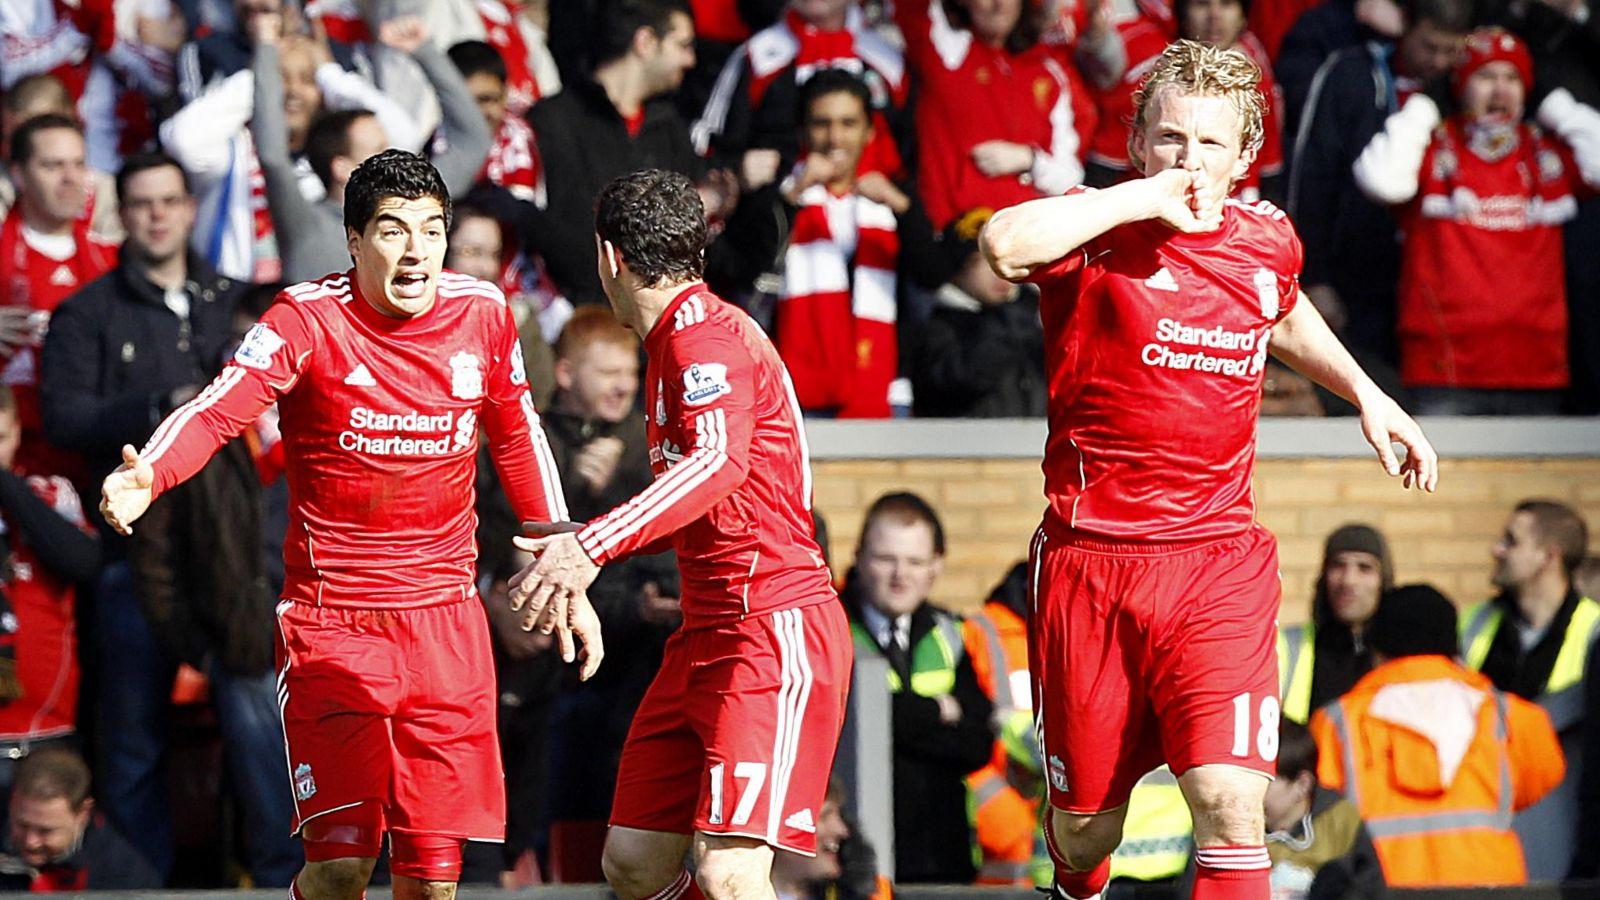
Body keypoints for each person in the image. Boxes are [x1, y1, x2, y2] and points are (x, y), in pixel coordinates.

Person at [979, 39, 1436, 900]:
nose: (1188, 161)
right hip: (1092, 562)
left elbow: (1282, 310)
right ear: (1139, 142)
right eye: (1170, 139)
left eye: (1209, 144)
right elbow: (1003, 244)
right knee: (1084, 830)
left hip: (1216, 562)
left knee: (1231, 801)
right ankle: (1079, 879)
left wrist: (1368, 397)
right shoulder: (1095, 228)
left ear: (1245, 157)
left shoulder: (1266, 241)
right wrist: (1136, 199)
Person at [98, 148, 580, 900]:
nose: (417, 250)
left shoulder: (483, 313)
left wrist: (561, 549)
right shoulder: (303, 318)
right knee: (341, 868)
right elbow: (219, 409)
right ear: (354, 242)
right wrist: (150, 473)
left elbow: (517, 435)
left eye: (432, 229)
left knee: (434, 878)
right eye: (394, 230)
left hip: (445, 623)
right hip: (337, 626)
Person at [508, 168, 851, 900]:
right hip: (706, 634)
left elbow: (717, 465)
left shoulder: (704, 341)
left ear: (609, 258)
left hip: (770, 628)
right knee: (634, 861)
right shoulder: (674, 342)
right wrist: (583, 543)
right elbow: (711, 498)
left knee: (730, 873)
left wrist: (591, 548)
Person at [38, 151, 252, 881]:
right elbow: (62, 417)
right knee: (132, 749)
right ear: (120, 215)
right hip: (130, 561)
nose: (158, 215)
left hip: (235, 573)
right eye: (142, 204)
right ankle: (140, 893)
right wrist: (158, 405)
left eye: (170, 201)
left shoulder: (234, 300)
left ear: (191, 209)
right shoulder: (88, 312)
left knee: (258, 747)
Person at [1353, 28, 1600, 415]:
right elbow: (1381, 179)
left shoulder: (1545, 154)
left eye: (1513, 78)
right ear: (1461, 86)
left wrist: (1558, 104)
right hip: (1444, 370)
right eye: (1486, 77)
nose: (1500, 91)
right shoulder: (1433, 147)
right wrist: (1424, 108)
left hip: (1537, 368)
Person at [706, 69, 942, 418]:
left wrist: (903, 208)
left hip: (883, 388)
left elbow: (930, 273)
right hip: (791, 393)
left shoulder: (895, 202)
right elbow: (745, 269)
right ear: (803, 131)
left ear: (869, 131)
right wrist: (792, 196)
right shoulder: (778, 198)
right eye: (822, 123)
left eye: (848, 123)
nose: (835, 138)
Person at [1310, 584, 1564, 888]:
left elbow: (1323, 811)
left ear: (1377, 649)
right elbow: (1541, 777)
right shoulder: (1506, 714)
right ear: (1453, 646)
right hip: (1490, 889)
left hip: (1377, 888)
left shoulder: (1336, 723)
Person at [1286, 0, 1472, 369]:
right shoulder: (1352, 73)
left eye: (1450, 51)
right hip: (1358, 276)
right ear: (1404, 27)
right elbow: (1313, 175)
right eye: (1429, 47)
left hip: (1441, 289)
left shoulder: (1469, 86)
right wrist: (1315, 276)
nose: (1438, 62)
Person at [254, 15, 492, 283]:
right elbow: (272, 156)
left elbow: (473, 142)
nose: (391, 158)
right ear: (343, 168)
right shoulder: (306, 225)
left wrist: (423, 51)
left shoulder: (412, 207)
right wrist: (265, 50)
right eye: (379, 150)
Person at [842, 492, 995, 884]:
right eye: (885, 559)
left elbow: (977, 742)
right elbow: (841, 721)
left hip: (943, 861)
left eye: (915, 561)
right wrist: (936, 712)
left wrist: (893, 722)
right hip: (854, 865)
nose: (900, 575)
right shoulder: (831, 629)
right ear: (859, 558)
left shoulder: (952, 634)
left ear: (936, 566)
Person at [526, 0, 714, 305]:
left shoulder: (670, 132)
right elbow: (555, 227)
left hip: (658, 321)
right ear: (645, 42)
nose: (690, 60)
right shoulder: (554, 121)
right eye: (682, 45)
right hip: (576, 317)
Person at [1458, 499, 1599, 881]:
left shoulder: (1594, 630)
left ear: (1548, 556)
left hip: (1563, 823)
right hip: (1488, 825)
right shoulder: (1476, 623)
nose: (1496, 550)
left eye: (1511, 541)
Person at [891, 0, 1093, 230]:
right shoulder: (949, 51)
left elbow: (1071, 177)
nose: (998, 5)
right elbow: (911, 8)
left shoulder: (1048, 74)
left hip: (1025, 237)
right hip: (954, 238)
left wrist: (1030, 160)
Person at [0, 113, 118, 477]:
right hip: (15, 466)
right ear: (18, 175)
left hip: (101, 461)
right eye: (53, 165)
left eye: (78, 164)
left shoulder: (114, 261)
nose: (71, 178)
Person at [693, 0, 909, 189]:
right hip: (778, 226)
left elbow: (913, 153)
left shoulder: (888, 60)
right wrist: (739, 170)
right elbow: (707, 145)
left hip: (877, 225)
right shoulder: (757, 57)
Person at [0, 387, 99, 793]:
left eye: (1, 438)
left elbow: (83, 562)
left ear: (18, 433)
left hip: (44, 734)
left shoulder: (49, 492)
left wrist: (6, 485)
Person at [911, 208, 1047, 418]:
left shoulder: (1031, 315)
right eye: (982, 261)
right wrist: (1005, 322)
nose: (1000, 271)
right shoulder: (940, 327)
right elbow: (960, 379)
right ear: (957, 270)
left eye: (1007, 259)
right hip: (973, 447)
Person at [1278, 524, 1395, 724]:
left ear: (1383, 581)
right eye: (1338, 566)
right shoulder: (1287, 647)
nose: (1348, 581)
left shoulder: (1402, 655)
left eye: (1364, 568)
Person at [0, 748, 159, 891]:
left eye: (45, 831)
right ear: (11, 803)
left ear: (82, 814)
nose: (31, 842)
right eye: (22, 825)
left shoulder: (122, 877)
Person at [1173, 0, 1285, 202]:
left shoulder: (1258, 81)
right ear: (1183, 15)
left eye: (1226, 4)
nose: (1214, 16)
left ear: (1243, 17)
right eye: (1201, 4)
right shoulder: (1159, 83)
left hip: (1238, 211)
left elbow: (1270, 172)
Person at [1260, 719, 1383, 899]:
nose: (1252, 790)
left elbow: (1369, 888)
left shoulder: (1339, 821)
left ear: (1302, 784)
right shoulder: (1231, 821)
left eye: (1266, 781)